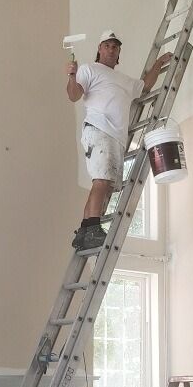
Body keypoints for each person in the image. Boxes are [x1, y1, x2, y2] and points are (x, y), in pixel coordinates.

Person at [66, 30, 172, 251]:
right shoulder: (89, 69)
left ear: (118, 53)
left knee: (104, 184)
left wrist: (160, 62)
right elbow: (74, 95)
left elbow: (145, 85)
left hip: (116, 137)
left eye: (115, 47)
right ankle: (94, 229)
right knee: (101, 181)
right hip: (99, 129)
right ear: (99, 48)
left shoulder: (124, 80)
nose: (111, 49)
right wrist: (71, 75)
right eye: (107, 45)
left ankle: (85, 231)